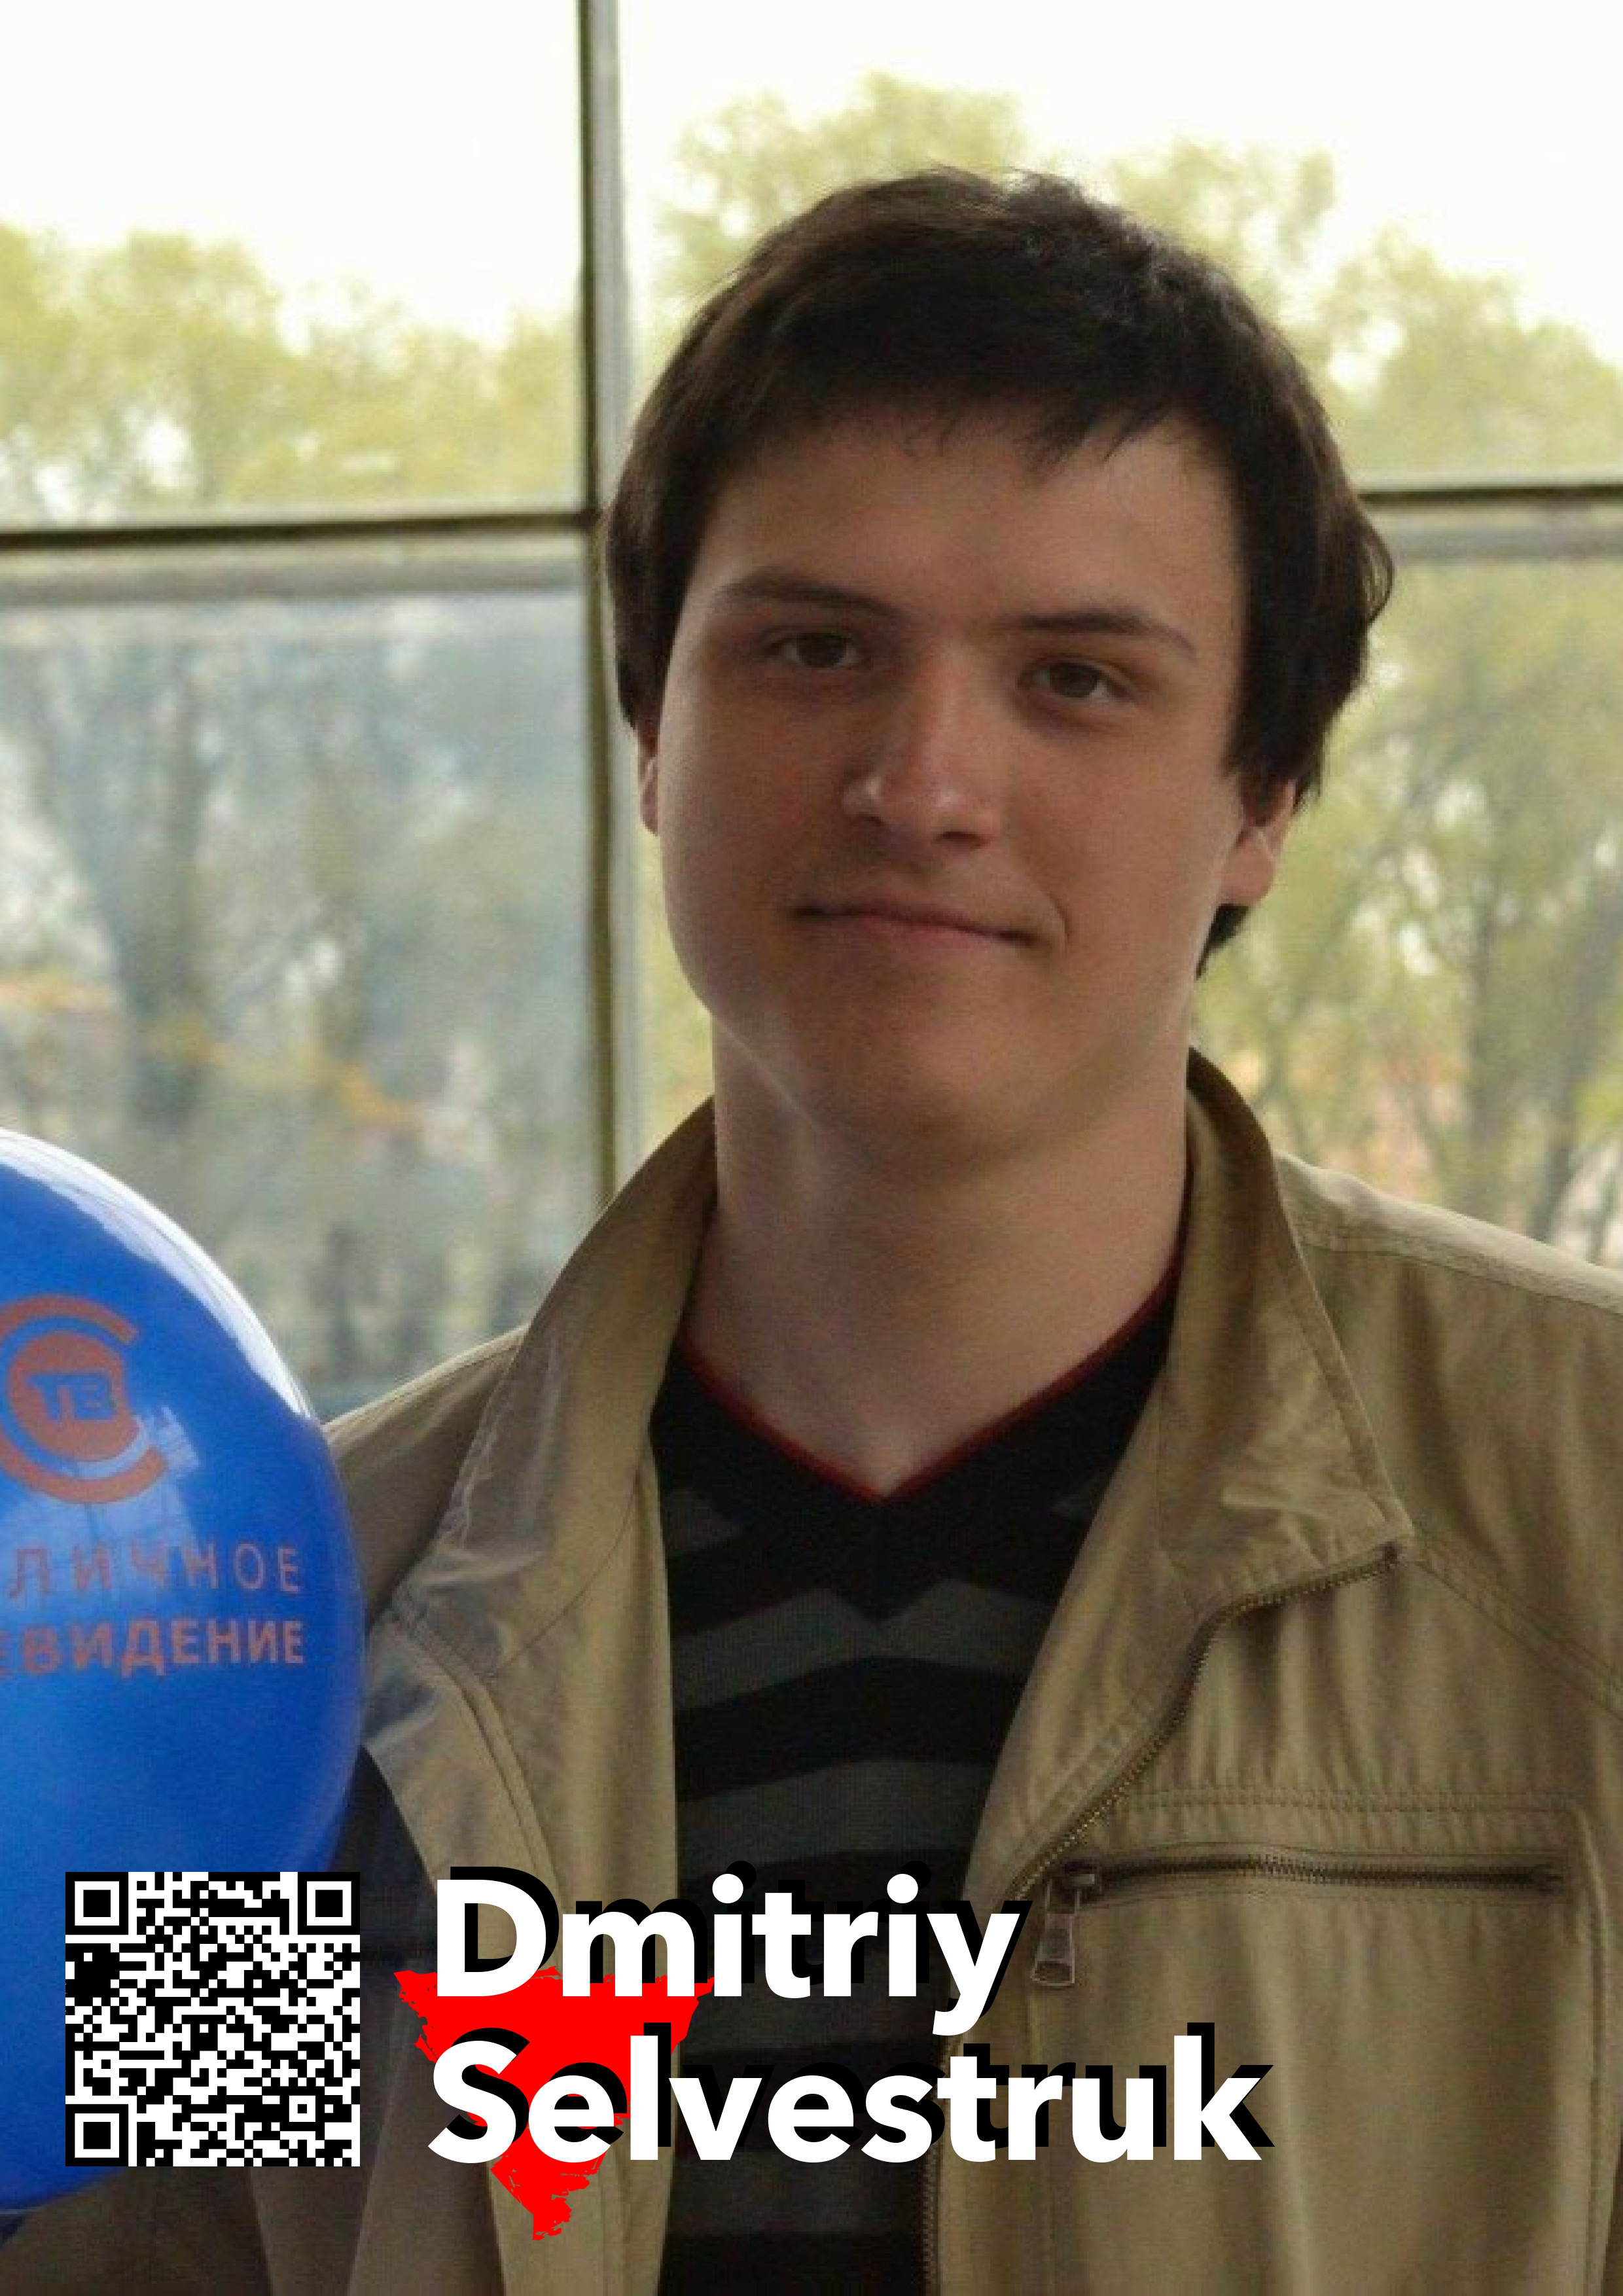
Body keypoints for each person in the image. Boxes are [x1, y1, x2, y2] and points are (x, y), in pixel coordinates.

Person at [8, 167, 1623, 2295]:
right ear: (652, 730)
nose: (921, 779)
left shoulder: (1587, 1511)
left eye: (1076, 679)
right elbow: (161, 2267)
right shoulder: (286, 1632)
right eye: (814, 648)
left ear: (1263, 799)